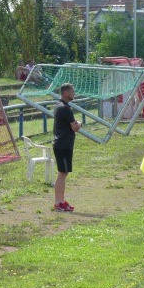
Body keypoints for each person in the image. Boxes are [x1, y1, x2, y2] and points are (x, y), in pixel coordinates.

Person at [53, 83, 82, 212]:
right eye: (72, 91)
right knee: (62, 174)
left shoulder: (62, 106)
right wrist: (80, 123)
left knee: (63, 173)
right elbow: (75, 127)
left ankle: (62, 201)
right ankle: (58, 202)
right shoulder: (65, 108)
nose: (74, 93)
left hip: (64, 145)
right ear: (65, 93)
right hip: (62, 145)